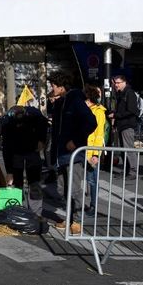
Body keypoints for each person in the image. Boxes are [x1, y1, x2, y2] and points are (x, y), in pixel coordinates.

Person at [48, 71, 97, 234]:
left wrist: (76, 141)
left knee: (74, 187)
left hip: (74, 154)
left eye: (54, 86)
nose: (52, 89)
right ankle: (69, 217)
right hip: (60, 154)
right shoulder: (59, 103)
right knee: (61, 188)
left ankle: (76, 220)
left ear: (62, 87)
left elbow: (91, 122)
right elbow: (56, 130)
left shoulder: (75, 100)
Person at [1, 105, 48, 216]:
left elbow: (44, 123)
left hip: (31, 153)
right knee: (18, 185)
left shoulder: (34, 117)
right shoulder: (8, 124)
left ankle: (35, 214)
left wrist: (42, 139)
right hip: (16, 155)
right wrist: (9, 172)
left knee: (34, 184)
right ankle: (21, 210)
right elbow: (6, 148)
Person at [108, 75, 139, 180]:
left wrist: (116, 115)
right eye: (115, 83)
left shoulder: (129, 93)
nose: (116, 85)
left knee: (128, 149)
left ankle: (133, 171)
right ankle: (127, 170)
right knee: (123, 150)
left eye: (118, 83)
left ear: (124, 82)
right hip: (122, 125)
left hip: (127, 125)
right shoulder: (121, 94)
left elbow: (132, 111)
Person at [84, 84, 107, 217]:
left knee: (92, 180)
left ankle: (93, 206)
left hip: (91, 151)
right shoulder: (85, 110)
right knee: (86, 179)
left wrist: (95, 154)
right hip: (82, 149)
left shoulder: (99, 112)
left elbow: (99, 135)